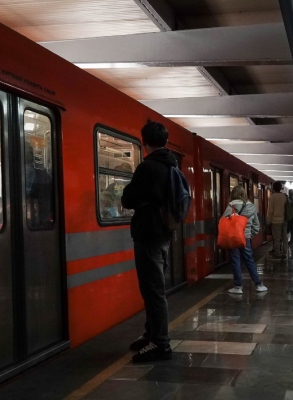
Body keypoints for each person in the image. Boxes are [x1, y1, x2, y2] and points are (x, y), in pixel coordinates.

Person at [121, 120, 175, 363]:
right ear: (165, 141)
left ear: (145, 142)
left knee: (153, 291)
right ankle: (151, 334)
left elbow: (128, 199)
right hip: (163, 234)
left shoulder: (148, 168)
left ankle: (160, 344)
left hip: (148, 235)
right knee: (155, 288)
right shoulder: (172, 166)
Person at [222, 185, 267, 294]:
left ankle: (238, 287)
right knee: (249, 260)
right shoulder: (251, 207)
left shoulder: (231, 206)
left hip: (233, 238)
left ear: (233, 194)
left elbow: (223, 221)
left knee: (236, 261)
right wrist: (250, 235)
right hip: (245, 238)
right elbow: (256, 225)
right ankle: (259, 284)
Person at [266, 181, 288, 260]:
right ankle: (285, 253)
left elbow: (270, 210)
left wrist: (268, 220)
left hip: (275, 221)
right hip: (284, 220)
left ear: (273, 188)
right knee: (284, 237)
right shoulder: (284, 196)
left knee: (277, 238)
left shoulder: (272, 197)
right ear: (281, 188)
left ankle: (278, 253)